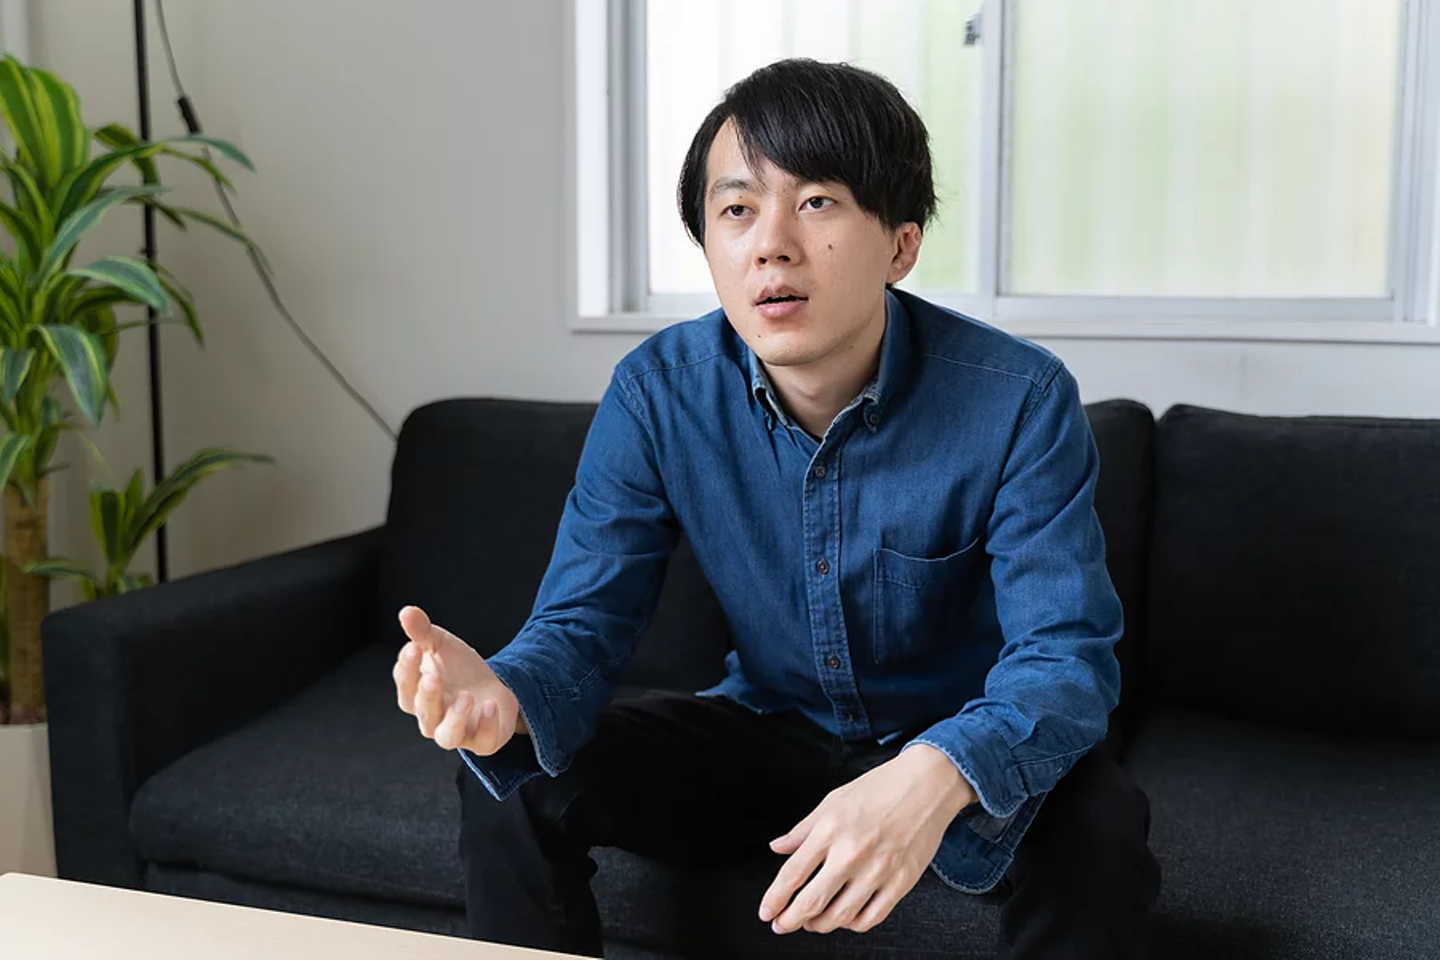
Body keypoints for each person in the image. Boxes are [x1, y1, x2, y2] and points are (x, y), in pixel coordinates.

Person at [392, 57, 1160, 958]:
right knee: (508, 772)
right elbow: (581, 624)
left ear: (901, 245)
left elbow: (1065, 661)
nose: (771, 245)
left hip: (955, 741)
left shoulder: (1018, 397)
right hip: (767, 732)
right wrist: (506, 692)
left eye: (818, 202)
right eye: (737, 210)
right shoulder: (656, 394)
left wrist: (935, 771)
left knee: (1101, 824)